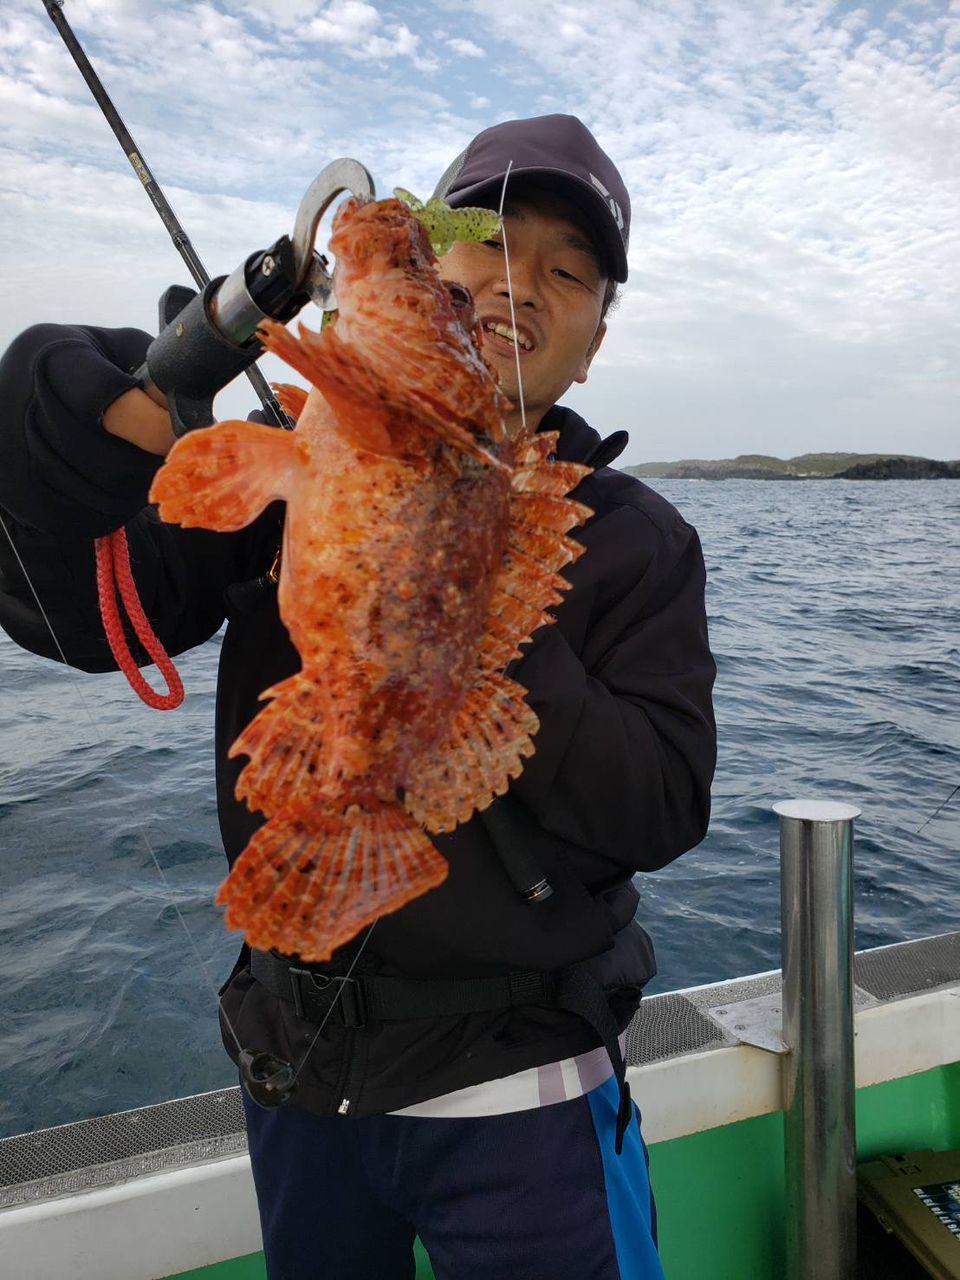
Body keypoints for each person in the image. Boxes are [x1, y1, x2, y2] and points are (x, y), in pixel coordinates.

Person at [0, 114, 716, 1279]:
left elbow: (668, 804)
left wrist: (468, 606)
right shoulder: (303, 453)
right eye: (483, 244)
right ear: (425, 277)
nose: (516, 284)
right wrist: (60, 437)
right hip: (299, 1075)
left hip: (523, 1084)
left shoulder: (635, 540)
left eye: (568, 272)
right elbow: (75, 613)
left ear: (591, 344)